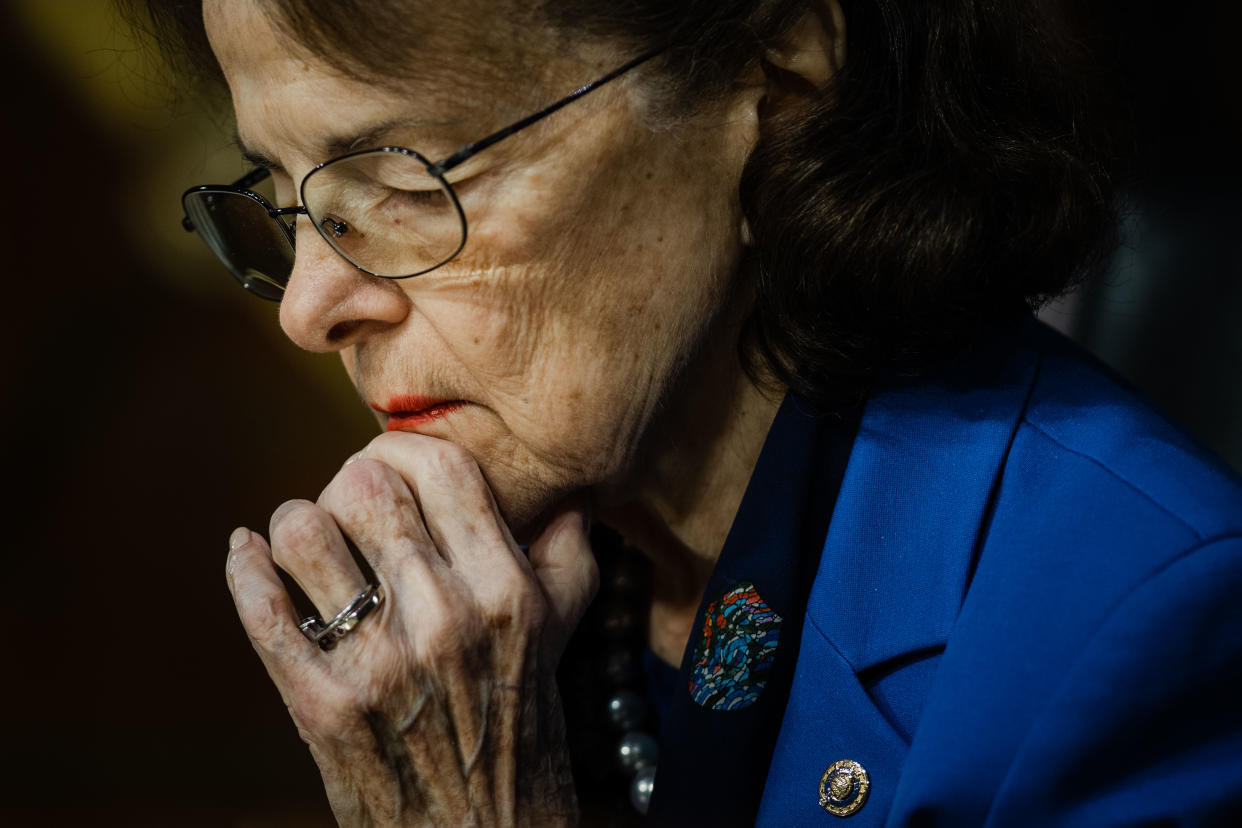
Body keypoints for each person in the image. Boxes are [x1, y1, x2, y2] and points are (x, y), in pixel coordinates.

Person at [128, 0, 1242, 824]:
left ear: (783, 81)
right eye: (282, 203)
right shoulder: (476, 622)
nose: (308, 308)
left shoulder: (1136, 626)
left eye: (404, 188)